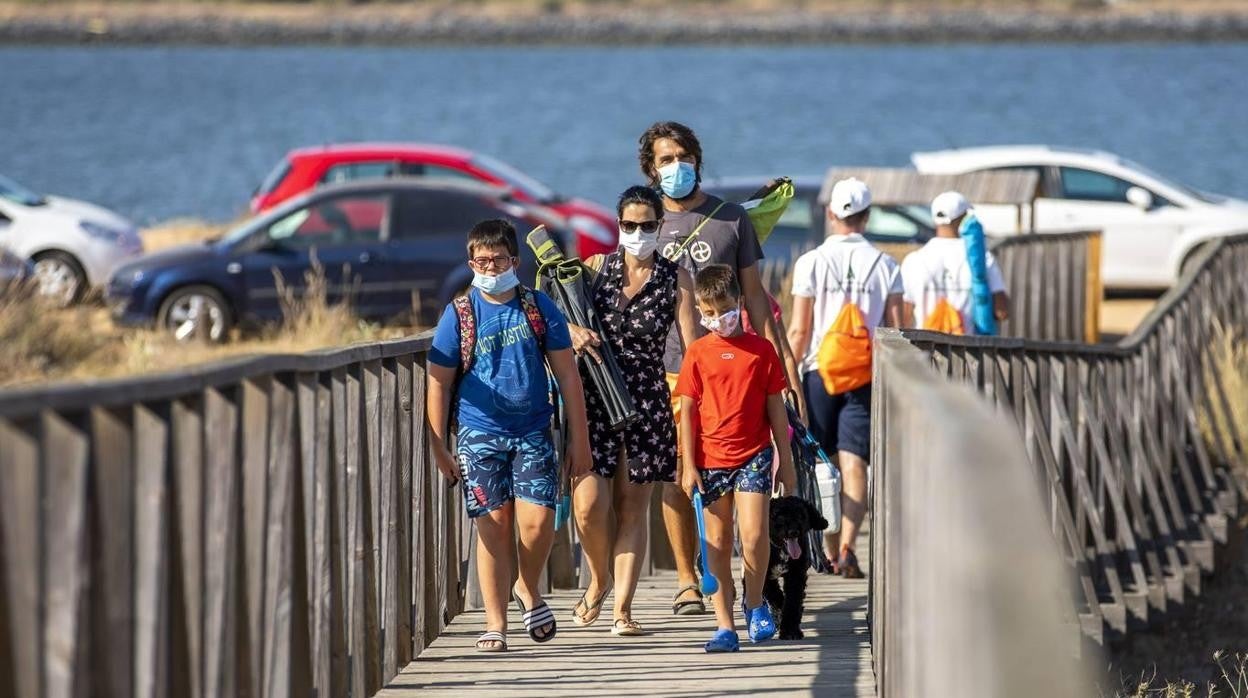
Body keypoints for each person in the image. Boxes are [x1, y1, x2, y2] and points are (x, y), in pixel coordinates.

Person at [638, 120, 803, 617]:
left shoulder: (732, 219)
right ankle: (689, 578)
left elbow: (755, 297)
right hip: (667, 366)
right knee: (678, 472)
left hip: (736, 367)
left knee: (744, 463)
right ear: (650, 168)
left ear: (698, 160)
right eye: (665, 160)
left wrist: (785, 367)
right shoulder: (645, 223)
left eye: (683, 156)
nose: (676, 166)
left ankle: (747, 591)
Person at [426, 219, 592, 653]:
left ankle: (526, 586)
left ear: (514, 261)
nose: (489, 266)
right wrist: (439, 444)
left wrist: (580, 439)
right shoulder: (459, 314)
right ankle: (495, 621)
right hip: (479, 433)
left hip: (534, 428)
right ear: (470, 262)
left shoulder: (538, 308)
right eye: (481, 260)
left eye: (497, 259)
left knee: (538, 525)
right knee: (492, 525)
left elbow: (568, 376)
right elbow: (439, 381)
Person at [565, 185, 700, 636]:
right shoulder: (595, 268)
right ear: (617, 225)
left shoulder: (676, 277)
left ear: (660, 226)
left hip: (647, 399)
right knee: (588, 505)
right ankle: (599, 580)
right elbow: (547, 311)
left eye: (647, 225)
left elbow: (693, 347)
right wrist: (572, 330)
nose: (638, 232)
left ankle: (622, 609)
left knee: (632, 506)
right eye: (629, 225)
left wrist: (701, 406)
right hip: (596, 396)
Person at [674, 264, 797, 652]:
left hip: (755, 455)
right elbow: (688, 412)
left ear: (739, 303)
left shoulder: (762, 351)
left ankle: (755, 601)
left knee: (756, 534)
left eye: (723, 309)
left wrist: (786, 459)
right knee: (718, 541)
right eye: (706, 312)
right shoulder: (697, 353)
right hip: (711, 459)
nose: (715, 319)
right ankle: (724, 626)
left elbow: (776, 408)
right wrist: (688, 464)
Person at [786, 178, 902, 579]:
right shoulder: (886, 265)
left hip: (819, 372)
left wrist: (787, 375)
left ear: (831, 214)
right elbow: (897, 329)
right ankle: (849, 546)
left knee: (823, 463)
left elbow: (800, 330)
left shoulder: (811, 262)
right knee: (856, 465)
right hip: (865, 375)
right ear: (867, 217)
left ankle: (830, 546)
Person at [901, 190, 1010, 333]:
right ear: (964, 217)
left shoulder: (913, 260)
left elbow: (904, 317)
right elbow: (1002, 311)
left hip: (926, 350)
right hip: (970, 352)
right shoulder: (984, 258)